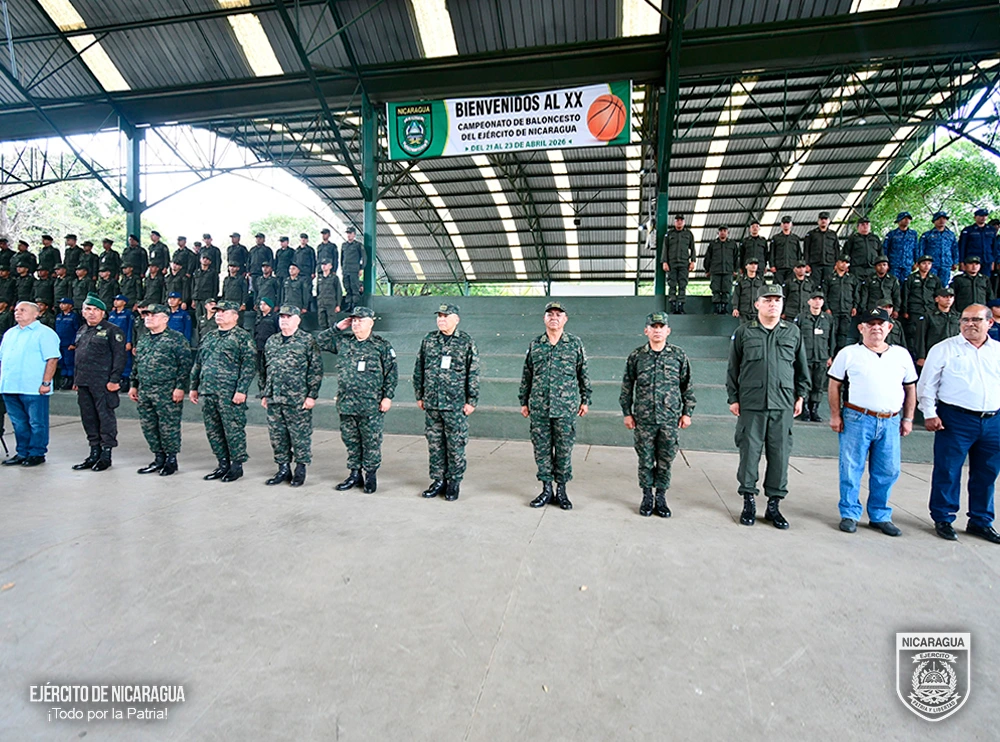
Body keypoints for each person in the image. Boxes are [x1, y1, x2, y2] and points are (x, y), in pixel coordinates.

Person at [827, 307, 917, 535]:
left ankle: (879, 515)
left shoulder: (901, 355)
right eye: (870, 324)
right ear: (861, 328)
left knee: (888, 469)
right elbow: (834, 385)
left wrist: (908, 418)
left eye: (881, 324)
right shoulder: (848, 353)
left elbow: (910, 388)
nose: (876, 328)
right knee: (850, 467)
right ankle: (849, 513)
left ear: (889, 327)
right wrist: (835, 415)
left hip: (890, 420)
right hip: (857, 418)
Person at [726, 284, 810, 528]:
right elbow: (733, 368)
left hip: (783, 403)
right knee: (749, 453)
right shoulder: (744, 332)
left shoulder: (792, 332)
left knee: (780, 454)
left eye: (777, 300)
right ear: (757, 304)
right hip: (752, 403)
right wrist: (733, 398)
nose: (773, 303)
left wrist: (801, 395)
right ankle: (749, 500)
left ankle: (774, 505)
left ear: (782, 304)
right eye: (768, 299)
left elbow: (801, 368)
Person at [917, 304, 1000, 543]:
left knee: (987, 473)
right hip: (955, 419)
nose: (969, 324)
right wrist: (930, 413)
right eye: (965, 320)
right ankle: (943, 517)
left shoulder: (997, 351)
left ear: (989, 323)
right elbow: (927, 385)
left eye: (976, 320)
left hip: (993, 420)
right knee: (948, 469)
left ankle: (980, 521)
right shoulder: (944, 349)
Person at [620, 311, 695, 517]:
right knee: (645, 459)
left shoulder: (678, 356)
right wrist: (627, 413)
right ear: (646, 331)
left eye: (661, 327)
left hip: (669, 419)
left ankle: (661, 496)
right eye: (653, 327)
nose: (657, 330)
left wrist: (687, 413)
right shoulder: (636, 356)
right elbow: (627, 386)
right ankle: (646, 496)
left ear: (668, 330)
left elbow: (686, 386)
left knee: (665, 459)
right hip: (643, 419)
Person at [317, 306, 397, 494]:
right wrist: (338, 327)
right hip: (347, 403)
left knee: (371, 441)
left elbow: (391, 373)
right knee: (351, 441)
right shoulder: (344, 342)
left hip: (371, 404)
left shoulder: (381, 345)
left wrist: (387, 397)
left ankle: (370, 475)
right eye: (353, 320)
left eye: (360, 320)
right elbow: (320, 341)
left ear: (370, 323)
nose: (355, 323)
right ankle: (354, 474)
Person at [519, 301, 591, 509]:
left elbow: (582, 374)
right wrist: (523, 401)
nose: (554, 317)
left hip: (565, 408)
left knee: (563, 450)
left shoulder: (574, 344)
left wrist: (585, 399)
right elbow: (527, 375)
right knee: (541, 450)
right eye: (550, 314)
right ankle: (546, 489)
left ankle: (562, 490)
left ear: (565, 319)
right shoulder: (536, 344)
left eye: (558, 314)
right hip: (539, 408)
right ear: (544, 318)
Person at [413, 303, 480, 501]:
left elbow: (473, 372)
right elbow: (419, 368)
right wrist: (419, 395)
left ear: (456, 319)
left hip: (455, 405)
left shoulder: (466, 341)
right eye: (439, 316)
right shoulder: (429, 340)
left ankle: (454, 482)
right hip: (432, 403)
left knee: (455, 445)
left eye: (446, 316)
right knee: (435, 444)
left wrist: (472, 400)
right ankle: (438, 480)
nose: (441, 319)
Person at [189, 300, 256, 482]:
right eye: (217, 311)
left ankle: (236, 465)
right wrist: (194, 387)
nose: (218, 314)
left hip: (230, 392)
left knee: (233, 429)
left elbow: (249, 366)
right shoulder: (209, 336)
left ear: (235, 316)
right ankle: (222, 464)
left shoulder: (242, 337)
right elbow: (199, 363)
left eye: (224, 311)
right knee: (213, 430)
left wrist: (241, 390)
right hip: (208, 390)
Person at [261, 305, 323, 487]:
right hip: (275, 398)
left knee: (300, 436)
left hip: (297, 398)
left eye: (288, 317)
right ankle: (283, 468)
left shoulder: (307, 340)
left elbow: (316, 370)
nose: (284, 320)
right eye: (281, 317)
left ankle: (300, 468)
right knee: (277, 436)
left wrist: (312, 395)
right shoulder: (272, 341)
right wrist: (265, 392)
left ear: (298, 319)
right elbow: (265, 369)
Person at [129, 304, 193, 476]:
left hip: (167, 390)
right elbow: (138, 364)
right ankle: (158, 458)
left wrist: (180, 387)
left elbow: (185, 365)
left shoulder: (176, 339)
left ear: (165, 318)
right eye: (146, 315)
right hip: (145, 390)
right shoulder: (143, 339)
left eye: (153, 315)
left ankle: (171, 460)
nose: (148, 318)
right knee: (149, 425)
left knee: (168, 426)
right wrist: (133, 384)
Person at [0, 301, 60, 466]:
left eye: (23, 310)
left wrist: (46, 382)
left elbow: (52, 359)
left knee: (36, 422)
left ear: (36, 314)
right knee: (18, 422)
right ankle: (22, 452)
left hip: (33, 387)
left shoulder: (44, 333)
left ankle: (37, 452)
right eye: (17, 310)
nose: (18, 313)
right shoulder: (10, 333)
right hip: (10, 386)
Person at [71, 294, 127, 472]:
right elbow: (79, 357)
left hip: (103, 383)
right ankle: (93, 452)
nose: (92, 313)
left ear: (103, 313)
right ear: (83, 312)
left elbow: (119, 357)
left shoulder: (113, 331)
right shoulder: (82, 330)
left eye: (96, 310)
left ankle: (106, 455)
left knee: (105, 417)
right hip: (84, 382)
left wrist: (114, 379)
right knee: (88, 417)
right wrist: (76, 379)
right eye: (88, 309)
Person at [798, 290, 834, 422]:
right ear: (809, 301)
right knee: (804, 384)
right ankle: (804, 410)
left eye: (820, 299)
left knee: (818, 385)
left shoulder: (828, 319)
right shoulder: (801, 318)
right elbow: (797, 339)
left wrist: (830, 356)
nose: (817, 301)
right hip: (805, 357)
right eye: (814, 299)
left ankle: (814, 410)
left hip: (822, 357)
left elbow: (832, 338)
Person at [901, 255, 942, 356]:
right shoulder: (911, 278)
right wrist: (905, 310)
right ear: (918, 265)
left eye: (929, 263)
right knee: (914, 334)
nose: (926, 266)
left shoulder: (935, 279)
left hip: (930, 310)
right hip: (915, 310)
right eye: (924, 263)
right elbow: (905, 295)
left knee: (930, 334)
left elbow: (939, 295)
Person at [913, 287, 960, 367]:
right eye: (945, 297)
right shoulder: (928, 316)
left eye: (951, 297)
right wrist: (921, 356)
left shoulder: (958, 316)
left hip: (954, 354)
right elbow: (920, 337)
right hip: (934, 354)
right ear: (937, 299)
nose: (948, 299)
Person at [823, 254, 860, 353]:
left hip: (846, 310)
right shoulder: (829, 278)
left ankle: (840, 355)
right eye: (842, 262)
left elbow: (856, 294)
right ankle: (831, 355)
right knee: (832, 333)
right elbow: (824, 294)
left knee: (843, 334)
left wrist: (855, 307)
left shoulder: (852, 278)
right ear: (837, 263)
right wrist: (826, 308)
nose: (844, 265)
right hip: (833, 310)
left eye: (846, 263)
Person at [660, 214, 696, 314]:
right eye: (677, 220)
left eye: (681, 220)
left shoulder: (688, 234)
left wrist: (693, 261)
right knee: (672, 284)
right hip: (672, 263)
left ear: (684, 222)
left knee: (682, 284)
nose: (679, 222)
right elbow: (665, 249)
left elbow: (692, 248)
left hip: (684, 263)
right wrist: (664, 262)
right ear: (674, 222)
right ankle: (672, 306)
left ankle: (680, 306)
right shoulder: (669, 234)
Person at [918, 211, 959, 286]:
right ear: (934, 221)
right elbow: (921, 249)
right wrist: (921, 262)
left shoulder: (951, 235)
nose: (942, 221)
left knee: (943, 285)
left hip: (946, 264)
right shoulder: (927, 235)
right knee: (930, 284)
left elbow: (955, 249)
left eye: (944, 219)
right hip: (931, 265)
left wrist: (955, 262)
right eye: (939, 219)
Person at [704, 226, 738, 314]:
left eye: (724, 231)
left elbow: (736, 257)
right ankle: (716, 308)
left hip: (728, 270)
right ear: (718, 233)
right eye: (721, 231)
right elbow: (708, 257)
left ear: (728, 232)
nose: (723, 232)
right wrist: (707, 270)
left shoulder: (732, 244)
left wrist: (735, 269)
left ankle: (724, 308)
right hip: (715, 270)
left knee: (726, 289)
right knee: (716, 290)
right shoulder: (713, 244)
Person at [803, 211, 839, 287]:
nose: (823, 221)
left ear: (829, 221)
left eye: (825, 219)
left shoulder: (833, 234)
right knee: (814, 285)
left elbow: (836, 249)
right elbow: (806, 250)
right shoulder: (811, 234)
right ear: (818, 221)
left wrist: (837, 263)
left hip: (829, 264)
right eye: (821, 219)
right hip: (815, 264)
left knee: (829, 285)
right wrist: (807, 264)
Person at [958, 208, 996, 277]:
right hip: (972, 260)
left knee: (985, 281)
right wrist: (961, 262)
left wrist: (993, 261)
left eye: (985, 216)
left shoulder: (991, 230)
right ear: (975, 217)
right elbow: (962, 247)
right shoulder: (968, 230)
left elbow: (994, 246)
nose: (983, 218)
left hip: (987, 260)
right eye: (981, 216)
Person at [842, 216, 881, 281]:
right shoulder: (853, 239)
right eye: (862, 224)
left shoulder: (875, 238)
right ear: (858, 227)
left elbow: (881, 253)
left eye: (867, 224)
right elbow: (846, 253)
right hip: (857, 269)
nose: (865, 226)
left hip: (872, 268)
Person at [884, 211, 919, 285]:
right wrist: (885, 263)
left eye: (908, 219)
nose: (907, 220)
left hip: (908, 265)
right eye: (904, 218)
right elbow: (885, 249)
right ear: (899, 221)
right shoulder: (891, 234)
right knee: (893, 285)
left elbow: (915, 248)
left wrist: (917, 262)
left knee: (906, 286)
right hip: (894, 265)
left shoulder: (913, 234)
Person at [253, 297, 279, 395]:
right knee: (261, 370)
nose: (262, 306)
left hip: (270, 348)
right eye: (261, 304)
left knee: (270, 370)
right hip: (259, 346)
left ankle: (270, 391)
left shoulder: (274, 317)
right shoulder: (259, 318)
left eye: (264, 304)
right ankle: (262, 391)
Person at [107, 295, 134, 381]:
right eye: (115, 300)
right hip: (112, 341)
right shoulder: (112, 314)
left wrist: (129, 341)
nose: (115, 301)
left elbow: (130, 328)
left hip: (123, 341)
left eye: (118, 300)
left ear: (124, 302)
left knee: (125, 360)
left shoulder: (128, 314)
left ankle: (125, 378)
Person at [768, 215, 801, 286]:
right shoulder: (776, 238)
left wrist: (798, 266)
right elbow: (772, 252)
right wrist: (772, 265)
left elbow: (799, 253)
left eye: (788, 223)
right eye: (784, 223)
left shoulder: (795, 238)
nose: (786, 225)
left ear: (791, 224)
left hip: (792, 267)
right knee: (778, 287)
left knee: (791, 287)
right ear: (781, 225)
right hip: (779, 267)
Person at [54, 298, 80, 389]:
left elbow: (77, 330)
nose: (61, 305)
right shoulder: (58, 316)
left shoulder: (74, 317)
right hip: (60, 343)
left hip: (69, 344)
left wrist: (73, 343)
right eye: (61, 304)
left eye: (64, 304)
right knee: (62, 362)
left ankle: (70, 379)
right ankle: (63, 377)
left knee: (69, 362)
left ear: (70, 306)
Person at [731, 257, 765, 323]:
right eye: (751, 264)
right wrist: (735, 308)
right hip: (744, 312)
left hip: (757, 311)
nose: (754, 266)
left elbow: (764, 296)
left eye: (755, 264)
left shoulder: (761, 280)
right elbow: (736, 295)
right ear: (746, 266)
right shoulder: (741, 280)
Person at [341, 226, 365, 311]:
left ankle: (355, 306)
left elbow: (364, 257)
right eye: (347, 233)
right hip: (346, 270)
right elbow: (342, 258)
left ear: (354, 234)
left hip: (354, 270)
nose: (348, 235)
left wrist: (361, 268)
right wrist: (342, 268)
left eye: (350, 233)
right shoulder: (344, 245)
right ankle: (348, 305)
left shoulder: (358, 245)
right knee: (347, 287)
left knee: (354, 288)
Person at [316, 260, 343, 330]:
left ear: (330, 266)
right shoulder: (320, 278)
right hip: (321, 303)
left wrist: (338, 305)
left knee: (332, 322)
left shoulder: (334, 278)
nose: (323, 266)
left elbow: (339, 292)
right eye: (322, 264)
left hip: (331, 303)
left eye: (326, 264)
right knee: (321, 321)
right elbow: (317, 291)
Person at [247, 232, 273, 302]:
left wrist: (269, 270)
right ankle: (255, 304)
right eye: (257, 238)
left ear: (264, 240)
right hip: (253, 272)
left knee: (263, 290)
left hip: (263, 273)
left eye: (260, 238)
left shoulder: (267, 250)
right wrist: (248, 271)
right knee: (254, 290)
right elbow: (248, 260)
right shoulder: (252, 250)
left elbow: (271, 260)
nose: (258, 240)